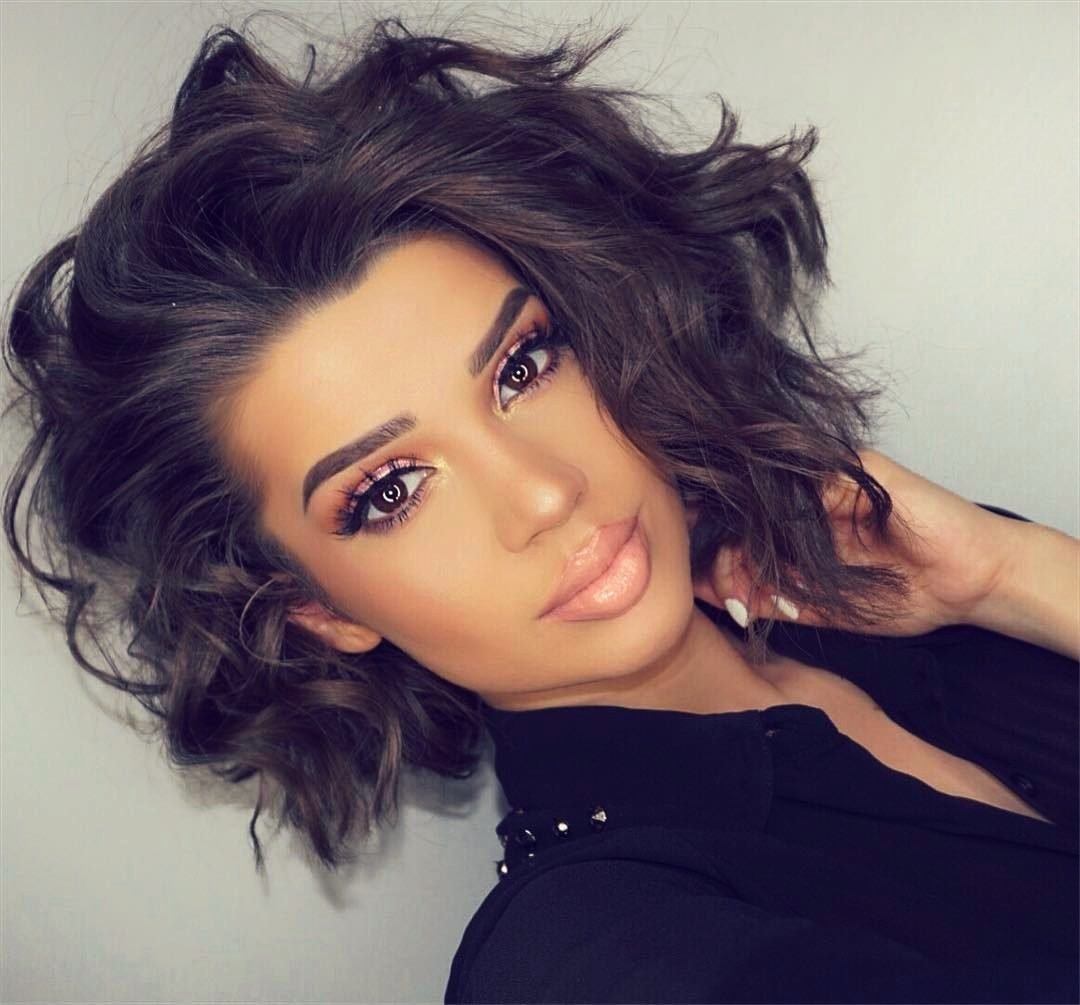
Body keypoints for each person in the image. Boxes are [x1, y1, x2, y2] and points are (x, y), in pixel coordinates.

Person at [3, 12, 1076, 1004]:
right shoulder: (589, 956)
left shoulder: (890, 589)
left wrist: (1009, 575)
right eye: (389, 491)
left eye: (522, 366)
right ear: (318, 610)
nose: (545, 490)